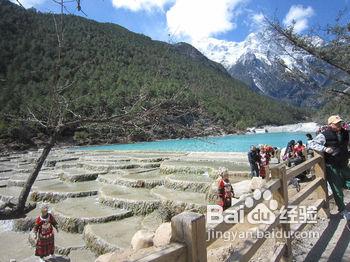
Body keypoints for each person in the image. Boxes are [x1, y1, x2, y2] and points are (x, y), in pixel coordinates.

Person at [308, 115, 350, 220]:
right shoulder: (324, 135)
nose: (339, 124)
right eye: (336, 123)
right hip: (332, 166)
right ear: (330, 124)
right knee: (337, 190)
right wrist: (324, 148)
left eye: (339, 122)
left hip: (344, 163)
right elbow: (311, 144)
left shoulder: (345, 133)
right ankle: (343, 210)